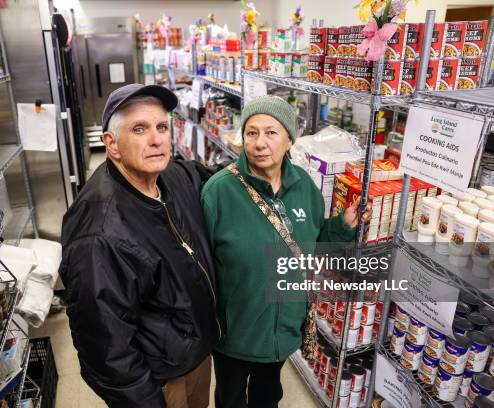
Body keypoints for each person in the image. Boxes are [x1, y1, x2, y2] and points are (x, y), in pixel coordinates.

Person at [200, 96, 371, 408]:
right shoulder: (218, 192)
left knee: (268, 395)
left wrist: (343, 226)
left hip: (283, 329)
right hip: (235, 331)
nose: (260, 143)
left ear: (290, 139)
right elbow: (199, 267)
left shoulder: (305, 187)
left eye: (271, 133)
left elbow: (313, 245)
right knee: (230, 398)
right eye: (252, 133)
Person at [59, 84, 220, 408]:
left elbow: (210, 179)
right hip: (160, 379)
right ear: (112, 144)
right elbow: (106, 350)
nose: (157, 139)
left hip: (196, 354)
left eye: (162, 126)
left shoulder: (171, 175)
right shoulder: (100, 235)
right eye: (139, 129)